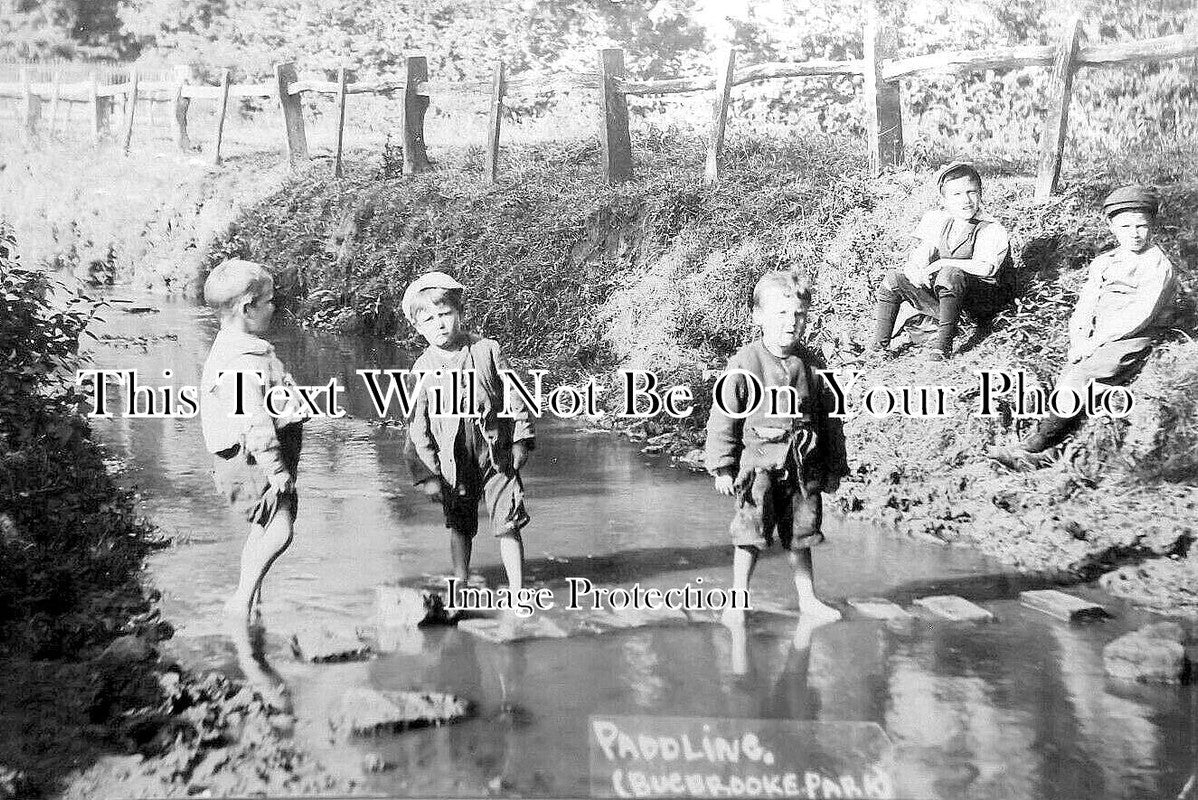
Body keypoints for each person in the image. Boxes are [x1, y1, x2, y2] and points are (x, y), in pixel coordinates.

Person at [989, 186, 1177, 470]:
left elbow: (1141, 314)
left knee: (1082, 377)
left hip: (1133, 336)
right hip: (1099, 334)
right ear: (1112, 227)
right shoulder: (1105, 262)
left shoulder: (1157, 265)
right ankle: (1051, 453)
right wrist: (1079, 339)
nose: (1135, 233)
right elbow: (1086, 305)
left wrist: (1096, 342)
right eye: (1126, 226)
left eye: (1142, 226)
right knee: (1070, 377)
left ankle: (1033, 445)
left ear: (1153, 226)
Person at [705, 269, 849, 627]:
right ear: (759, 316)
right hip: (758, 468)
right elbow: (723, 416)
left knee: (802, 534)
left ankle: (808, 599)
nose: (791, 323)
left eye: (799, 315)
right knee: (750, 535)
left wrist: (833, 467)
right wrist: (723, 466)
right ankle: (737, 600)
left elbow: (830, 419)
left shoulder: (814, 366)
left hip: (802, 467)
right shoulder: (744, 364)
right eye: (781, 314)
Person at [402, 271, 534, 607]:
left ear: (460, 313)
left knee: (508, 521)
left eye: (445, 314)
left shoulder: (487, 350)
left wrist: (520, 439)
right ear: (418, 327)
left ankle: (518, 591)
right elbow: (417, 428)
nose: (440, 324)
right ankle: (460, 582)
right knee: (460, 525)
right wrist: (430, 475)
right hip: (453, 462)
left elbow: (514, 396)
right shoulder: (421, 369)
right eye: (429, 319)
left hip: (496, 454)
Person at [200, 259, 309, 632]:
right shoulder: (239, 363)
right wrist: (276, 470)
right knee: (281, 531)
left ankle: (252, 600)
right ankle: (241, 599)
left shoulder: (241, 346)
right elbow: (254, 422)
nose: (274, 307)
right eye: (268, 301)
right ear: (247, 309)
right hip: (252, 460)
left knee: (262, 529)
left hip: (261, 456)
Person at [871, 162, 1013, 361]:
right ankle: (878, 348)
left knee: (949, 273)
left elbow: (986, 268)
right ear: (944, 200)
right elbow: (922, 253)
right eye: (957, 194)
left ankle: (942, 347)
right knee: (893, 279)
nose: (966, 200)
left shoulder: (990, 228)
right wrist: (916, 269)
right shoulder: (940, 221)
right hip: (950, 301)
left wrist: (940, 264)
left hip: (982, 302)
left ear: (980, 194)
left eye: (972, 192)